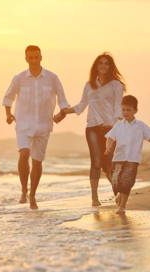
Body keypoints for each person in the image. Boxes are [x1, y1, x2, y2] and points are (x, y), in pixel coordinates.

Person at [2, 45, 70, 209]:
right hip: (23, 123)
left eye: (36, 57)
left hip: (44, 124)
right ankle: (24, 190)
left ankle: (33, 195)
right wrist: (8, 114)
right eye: (30, 57)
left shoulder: (52, 78)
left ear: (41, 57)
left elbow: (63, 100)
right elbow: (8, 97)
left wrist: (61, 114)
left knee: (37, 161)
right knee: (24, 153)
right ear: (26, 59)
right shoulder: (19, 78)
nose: (33, 60)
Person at [59, 53, 125, 207]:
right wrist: (63, 112)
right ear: (96, 66)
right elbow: (81, 105)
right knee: (96, 162)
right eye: (100, 63)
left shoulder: (116, 85)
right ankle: (94, 198)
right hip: (92, 127)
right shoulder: (89, 85)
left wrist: (115, 129)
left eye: (106, 63)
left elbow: (118, 108)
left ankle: (118, 193)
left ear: (111, 66)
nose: (103, 66)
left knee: (109, 164)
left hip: (110, 128)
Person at [104, 95, 150, 214]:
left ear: (135, 110)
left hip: (132, 159)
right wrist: (108, 147)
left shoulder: (140, 125)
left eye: (128, 110)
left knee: (127, 181)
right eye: (123, 109)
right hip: (118, 158)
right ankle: (119, 194)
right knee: (115, 181)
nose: (125, 112)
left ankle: (122, 206)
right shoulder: (119, 125)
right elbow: (110, 137)